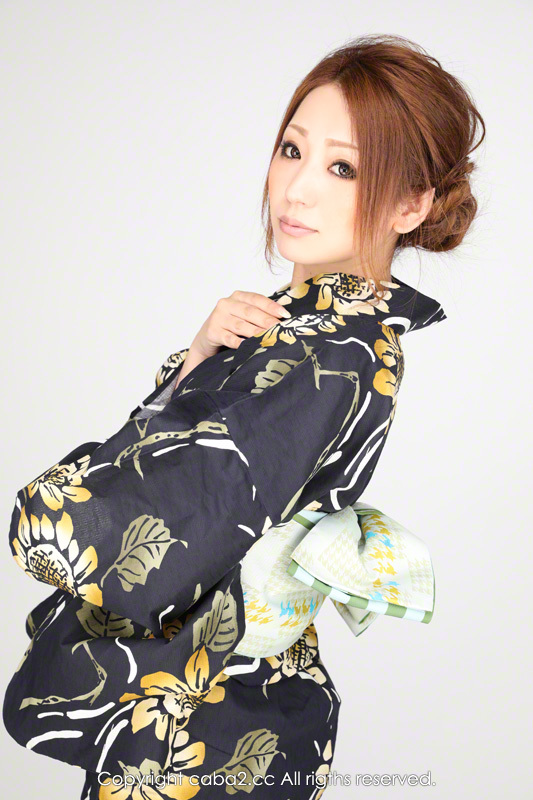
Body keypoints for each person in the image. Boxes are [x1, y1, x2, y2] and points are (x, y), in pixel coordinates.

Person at [2, 34, 484, 799]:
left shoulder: (338, 348)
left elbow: (166, 522)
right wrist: (196, 362)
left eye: (343, 168)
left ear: (410, 203)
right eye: (292, 150)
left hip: (213, 727)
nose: (297, 189)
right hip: (202, 707)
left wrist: (43, 507)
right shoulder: (292, 325)